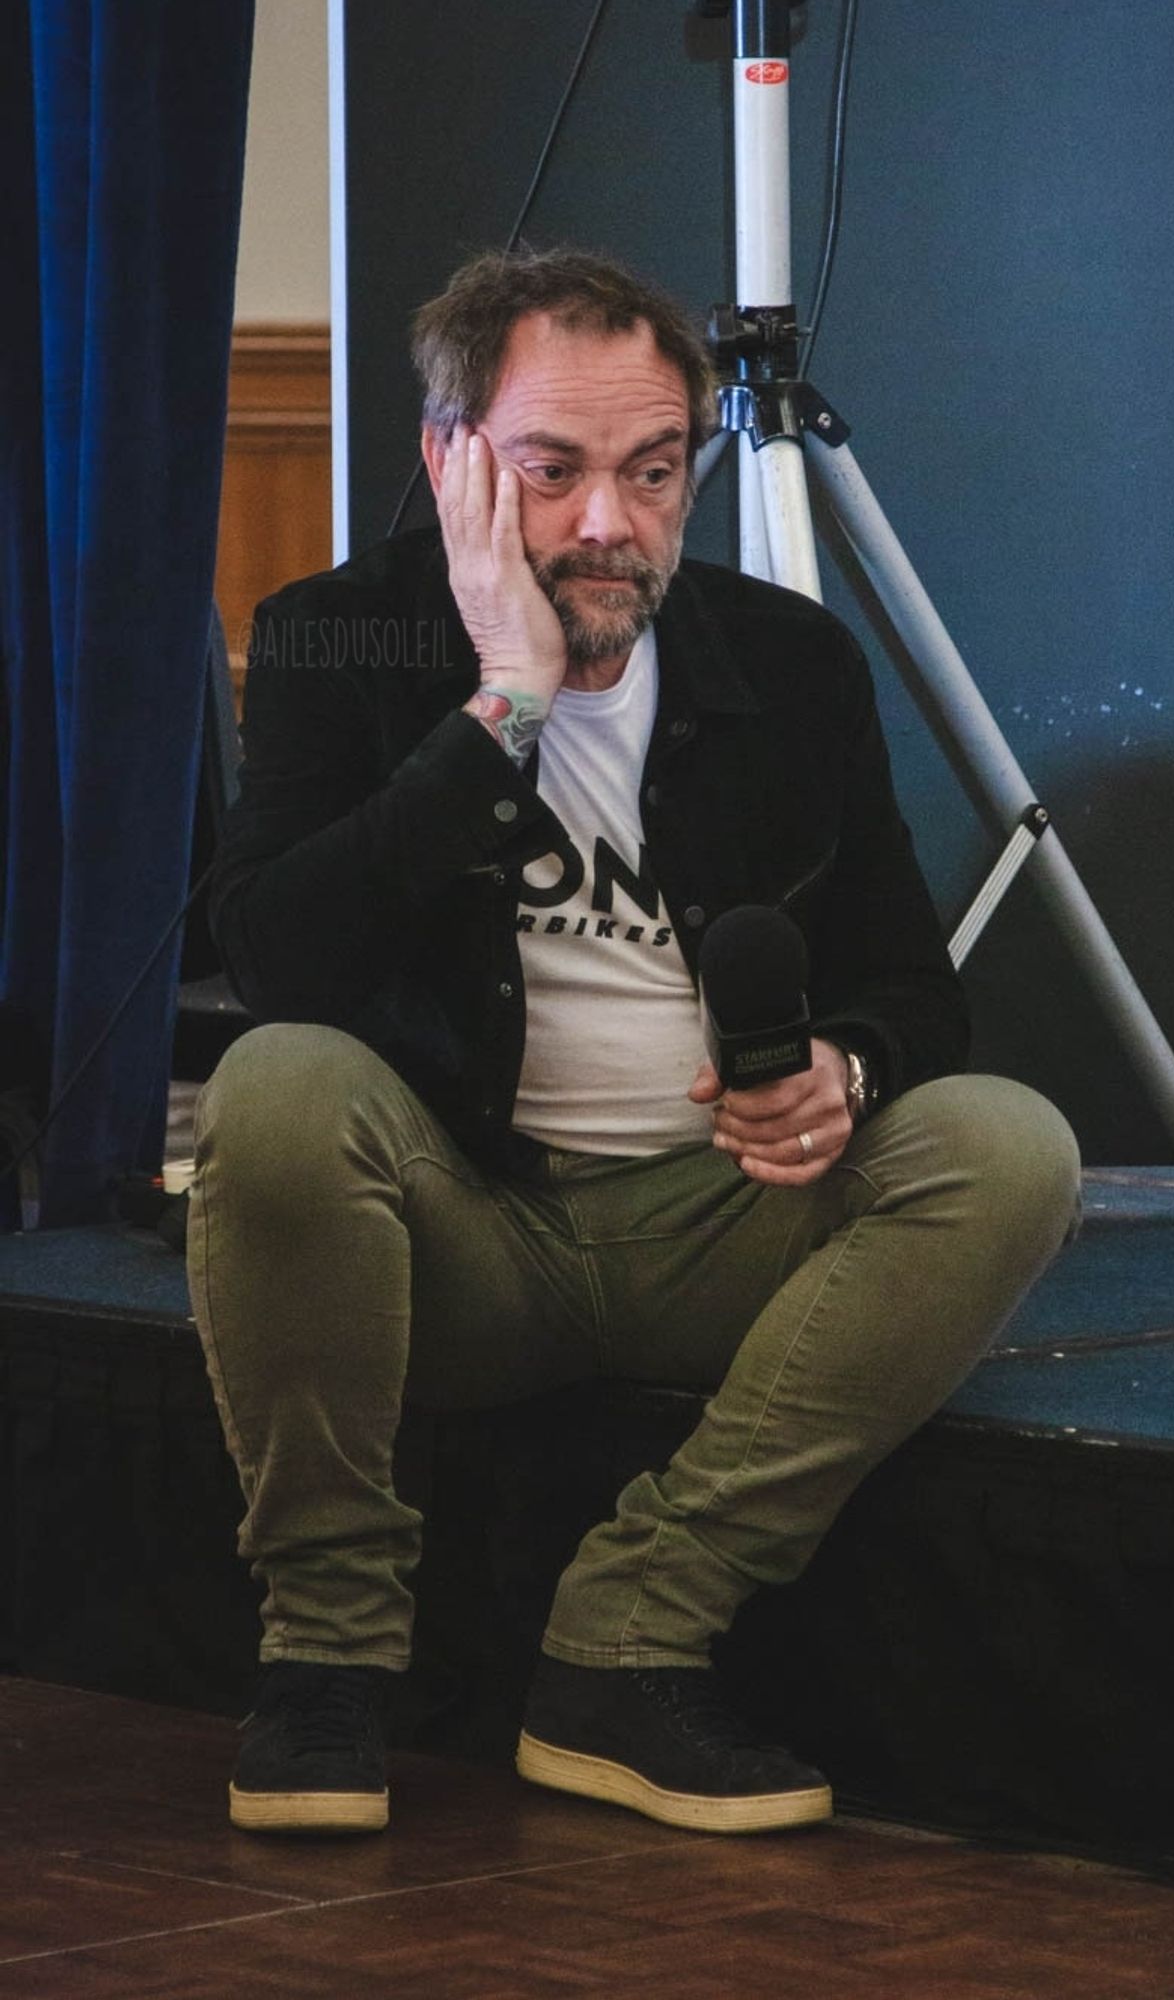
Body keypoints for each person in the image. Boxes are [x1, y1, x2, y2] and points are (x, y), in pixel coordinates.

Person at [188, 246, 1079, 1840]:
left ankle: (632, 1636)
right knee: (277, 1090)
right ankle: (323, 1660)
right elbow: (275, 962)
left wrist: (845, 1073)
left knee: (1006, 1143)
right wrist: (505, 708)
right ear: (450, 460)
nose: (610, 522)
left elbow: (911, 986)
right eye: (554, 470)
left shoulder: (789, 665)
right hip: (460, 1236)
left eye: (653, 471)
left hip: (716, 1232)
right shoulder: (339, 641)